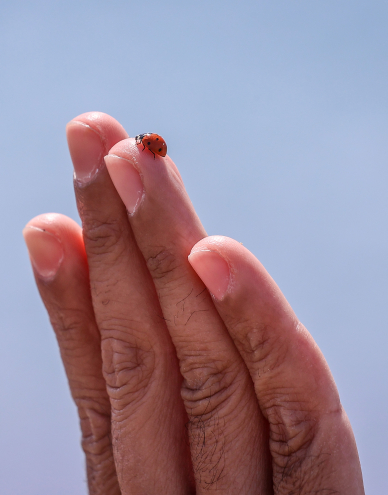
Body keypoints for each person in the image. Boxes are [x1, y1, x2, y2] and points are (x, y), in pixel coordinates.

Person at [22, 112, 364, 494]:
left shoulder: (146, 146)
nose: (147, 145)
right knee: (148, 374)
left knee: (183, 384)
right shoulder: (147, 145)